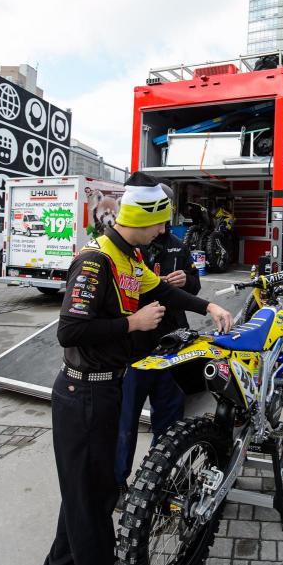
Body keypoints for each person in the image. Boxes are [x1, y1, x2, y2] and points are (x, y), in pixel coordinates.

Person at [41, 173, 232, 565]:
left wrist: (209, 307)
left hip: (103, 388)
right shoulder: (96, 261)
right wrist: (134, 324)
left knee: (88, 490)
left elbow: (162, 289)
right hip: (84, 391)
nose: (165, 231)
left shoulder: (130, 257)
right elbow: (68, 330)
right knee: (92, 499)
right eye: (160, 223)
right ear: (141, 219)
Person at [114, 184, 199, 506]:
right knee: (125, 420)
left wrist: (184, 281)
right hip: (133, 349)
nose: (162, 227)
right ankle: (117, 483)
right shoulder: (124, 252)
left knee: (170, 417)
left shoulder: (179, 247)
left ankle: (161, 474)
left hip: (171, 345)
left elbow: (194, 284)